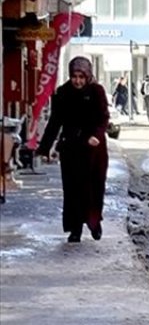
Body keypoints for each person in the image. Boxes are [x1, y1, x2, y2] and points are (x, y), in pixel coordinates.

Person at [36, 57, 110, 242]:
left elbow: (103, 118)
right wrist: (44, 148)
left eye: (81, 77)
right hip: (71, 148)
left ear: (87, 75)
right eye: (74, 76)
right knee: (72, 189)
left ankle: (94, 221)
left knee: (94, 187)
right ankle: (75, 228)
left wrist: (97, 136)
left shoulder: (96, 91)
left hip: (94, 150)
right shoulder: (63, 93)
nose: (77, 81)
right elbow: (55, 122)